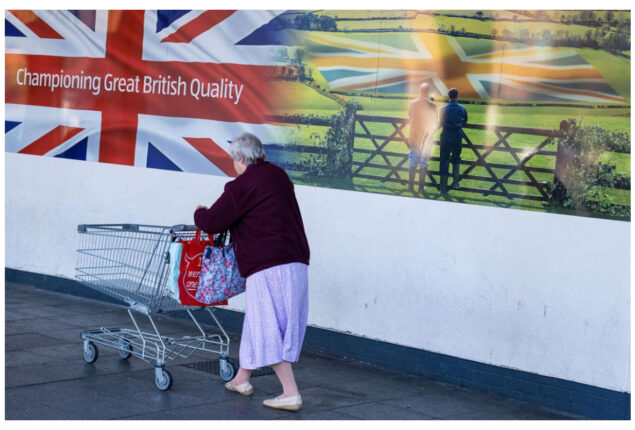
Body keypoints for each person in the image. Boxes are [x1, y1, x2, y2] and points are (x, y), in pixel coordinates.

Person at [193, 132, 310, 412]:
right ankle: (241, 379)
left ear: (241, 158)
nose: (234, 166)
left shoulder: (241, 186)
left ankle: (290, 392)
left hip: (268, 266)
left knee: (268, 326)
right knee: (262, 321)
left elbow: (213, 222)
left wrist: (199, 212)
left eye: (234, 160)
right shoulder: (278, 176)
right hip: (296, 262)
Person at [407, 83, 438, 194]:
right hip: (426, 136)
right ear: (428, 91)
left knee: (413, 161)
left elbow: (410, 116)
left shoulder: (413, 103)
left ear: (420, 90)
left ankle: (410, 186)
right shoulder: (432, 105)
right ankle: (421, 187)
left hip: (415, 135)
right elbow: (435, 121)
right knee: (424, 162)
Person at [439, 87, 468, 194]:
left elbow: (440, 121)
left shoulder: (443, 109)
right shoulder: (462, 109)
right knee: (456, 159)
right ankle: (456, 183)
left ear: (449, 96)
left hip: (446, 135)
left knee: (444, 160)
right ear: (457, 96)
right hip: (457, 135)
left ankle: (442, 187)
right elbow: (465, 121)